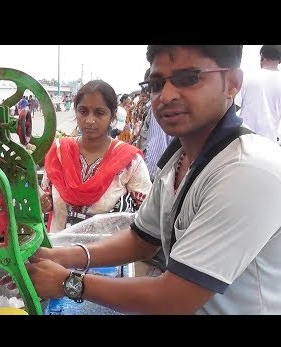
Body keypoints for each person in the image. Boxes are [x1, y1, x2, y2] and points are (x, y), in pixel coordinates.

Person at [22, 46, 281, 314]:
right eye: (157, 84)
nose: (166, 95)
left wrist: (68, 282)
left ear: (233, 84)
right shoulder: (179, 158)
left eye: (188, 78)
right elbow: (142, 240)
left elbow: (173, 299)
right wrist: (58, 256)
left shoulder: (246, 171)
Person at [39, 80, 151, 233]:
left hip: (107, 255)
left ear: (112, 116)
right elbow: (47, 200)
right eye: (83, 111)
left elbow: (148, 213)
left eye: (99, 113)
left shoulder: (129, 162)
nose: (89, 120)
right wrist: (44, 202)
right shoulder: (58, 152)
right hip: (58, 252)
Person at [235, 45, 281, 143]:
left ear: (262, 56)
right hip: (270, 141)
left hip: (244, 138)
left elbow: (235, 107)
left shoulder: (247, 77)